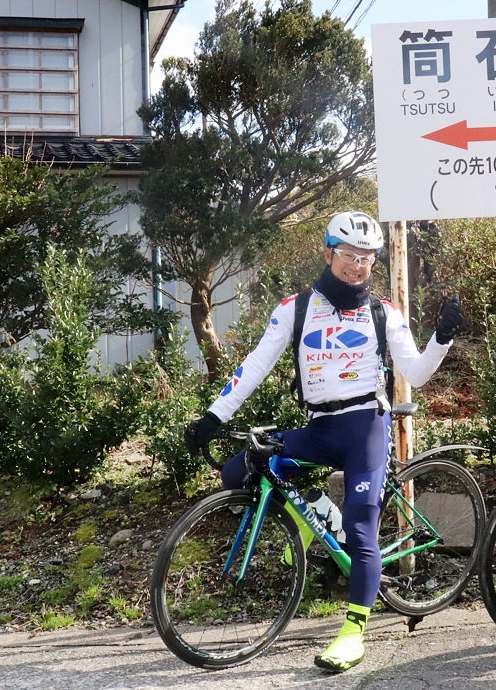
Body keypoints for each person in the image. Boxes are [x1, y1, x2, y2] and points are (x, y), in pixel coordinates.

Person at [185, 211, 463, 673]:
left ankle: (354, 631)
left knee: (360, 534)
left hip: (365, 428)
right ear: (327, 252)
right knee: (239, 469)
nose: (359, 267)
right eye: (350, 256)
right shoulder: (295, 308)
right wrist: (214, 416)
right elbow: (255, 365)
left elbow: (413, 373)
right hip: (319, 428)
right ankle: (320, 506)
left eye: (368, 259)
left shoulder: (383, 313)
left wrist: (442, 339)